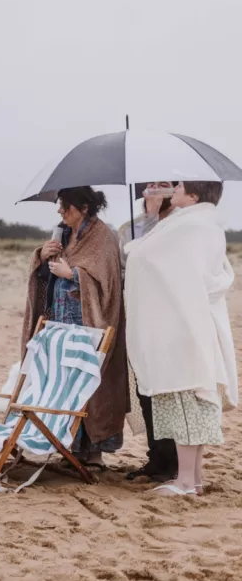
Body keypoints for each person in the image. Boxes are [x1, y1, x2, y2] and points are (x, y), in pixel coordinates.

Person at [125, 181, 237, 496]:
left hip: (183, 327)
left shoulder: (191, 226)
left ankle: (186, 480)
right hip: (190, 325)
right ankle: (193, 478)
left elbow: (145, 255)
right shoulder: (200, 224)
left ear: (193, 196)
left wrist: (150, 221)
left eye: (179, 185)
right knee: (191, 401)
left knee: (186, 402)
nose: (173, 188)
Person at [23, 186, 129, 470]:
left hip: (89, 323)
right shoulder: (62, 233)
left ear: (84, 208)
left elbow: (107, 281)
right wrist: (42, 256)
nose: (60, 210)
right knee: (64, 381)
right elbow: (47, 274)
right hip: (60, 320)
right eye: (60, 205)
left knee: (89, 380)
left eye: (66, 206)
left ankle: (94, 454)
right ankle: (69, 447)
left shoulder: (103, 236)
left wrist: (73, 274)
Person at [119, 181, 179, 482]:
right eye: (150, 185)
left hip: (171, 317)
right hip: (138, 315)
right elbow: (123, 269)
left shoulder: (181, 225)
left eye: (163, 184)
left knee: (170, 389)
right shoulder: (127, 229)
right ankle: (156, 458)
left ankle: (174, 462)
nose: (155, 189)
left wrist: (156, 217)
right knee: (145, 389)